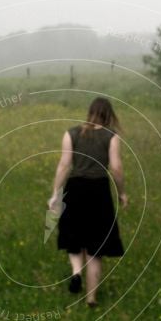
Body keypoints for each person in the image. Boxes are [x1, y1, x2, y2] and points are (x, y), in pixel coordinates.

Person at [48, 96, 128, 307]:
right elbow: (117, 168)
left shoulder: (71, 133)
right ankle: (91, 299)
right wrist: (122, 193)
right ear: (109, 115)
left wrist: (55, 194)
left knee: (73, 238)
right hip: (99, 192)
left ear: (89, 111)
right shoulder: (111, 136)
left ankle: (76, 272)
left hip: (74, 189)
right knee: (95, 247)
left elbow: (64, 166)